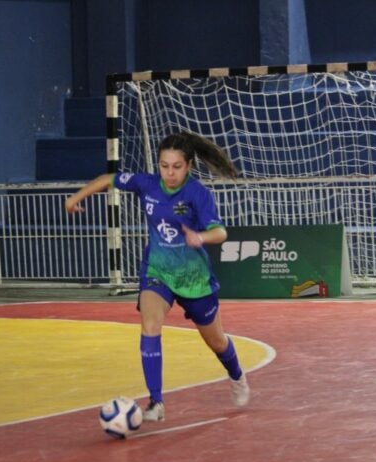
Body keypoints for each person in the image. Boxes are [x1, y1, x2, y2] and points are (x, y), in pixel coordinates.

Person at [65, 131, 250, 422]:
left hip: (194, 280)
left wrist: (199, 237)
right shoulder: (147, 184)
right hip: (157, 272)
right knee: (150, 324)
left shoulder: (197, 194)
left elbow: (221, 232)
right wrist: (75, 197)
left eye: (176, 166)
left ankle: (237, 375)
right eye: (164, 165)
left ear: (188, 166)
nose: (169, 172)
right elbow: (108, 179)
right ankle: (156, 402)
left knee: (217, 342)